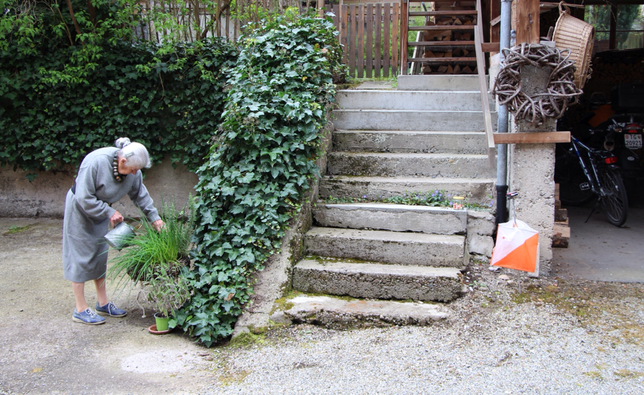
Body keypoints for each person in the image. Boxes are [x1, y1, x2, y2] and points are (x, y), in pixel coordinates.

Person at [62, 137, 165, 325]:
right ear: (123, 161)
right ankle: (80, 309)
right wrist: (108, 211)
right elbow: (84, 197)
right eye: (133, 169)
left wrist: (155, 219)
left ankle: (103, 303)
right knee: (80, 255)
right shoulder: (96, 162)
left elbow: (140, 195)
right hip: (80, 209)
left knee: (99, 254)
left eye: (138, 170)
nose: (135, 173)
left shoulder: (134, 171)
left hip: (102, 211)